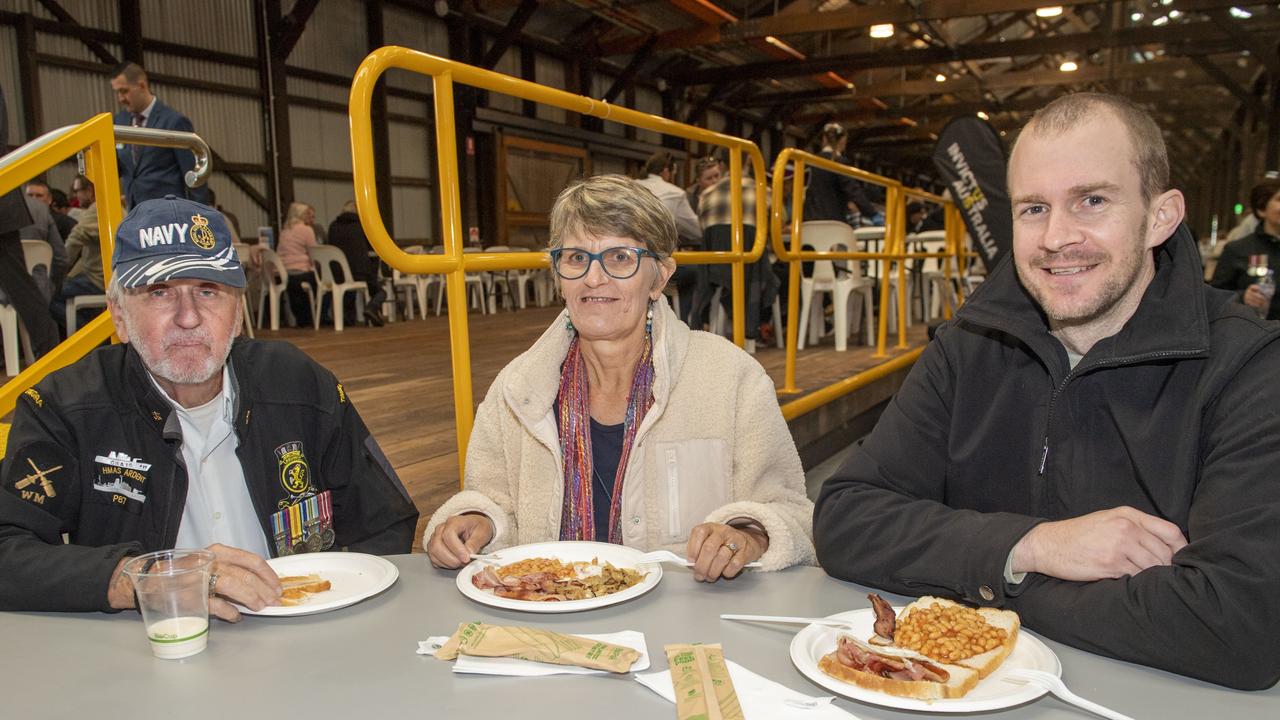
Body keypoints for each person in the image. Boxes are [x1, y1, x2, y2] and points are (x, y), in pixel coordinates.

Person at [812, 93, 1280, 690]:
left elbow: (1240, 624)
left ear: (1161, 216)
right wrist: (1030, 547)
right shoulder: (970, 344)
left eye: (1092, 201)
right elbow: (847, 519)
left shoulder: (1247, 366)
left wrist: (988, 584)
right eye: (1034, 208)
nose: (1058, 237)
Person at [0, 197, 418, 617]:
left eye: (208, 290)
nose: (188, 317)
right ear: (120, 317)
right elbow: (7, 553)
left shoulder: (300, 383)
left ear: (237, 314)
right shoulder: (65, 406)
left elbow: (383, 521)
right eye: (159, 292)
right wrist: (145, 579)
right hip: (150, 649)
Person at [425, 175, 813, 582]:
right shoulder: (517, 389)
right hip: (548, 621)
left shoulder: (731, 378)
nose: (594, 278)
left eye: (620, 257)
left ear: (660, 277)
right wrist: (476, 521)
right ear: (558, 275)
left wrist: (749, 535)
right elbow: (491, 500)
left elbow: (790, 512)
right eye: (576, 258)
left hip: (685, 628)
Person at [110, 61, 211, 208]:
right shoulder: (118, 122)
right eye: (117, 92)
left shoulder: (173, 122)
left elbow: (194, 177)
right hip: (136, 215)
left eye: (124, 91)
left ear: (142, 85)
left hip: (168, 215)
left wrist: (200, 219)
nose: (120, 98)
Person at [1209, 178, 1280, 320]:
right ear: (1261, 209)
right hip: (1257, 336)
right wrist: (1242, 297)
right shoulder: (1238, 249)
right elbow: (1214, 297)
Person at [52, 175, 105, 333]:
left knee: (47, 293)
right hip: (101, 277)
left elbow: (75, 238)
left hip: (97, 281)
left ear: (89, 191)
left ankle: (92, 335)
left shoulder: (97, 209)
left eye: (77, 191)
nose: (75, 196)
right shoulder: (110, 206)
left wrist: (59, 269)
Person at [802, 123, 879, 225]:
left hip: (808, 220)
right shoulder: (839, 163)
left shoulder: (809, 161)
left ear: (824, 139)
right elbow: (853, 190)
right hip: (833, 220)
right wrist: (872, 213)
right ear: (843, 140)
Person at [327, 200, 387, 326]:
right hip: (359, 272)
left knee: (349, 291)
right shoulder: (362, 226)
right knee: (381, 291)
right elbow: (373, 248)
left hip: (337, 273)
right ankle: (372, 307)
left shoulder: (333, 226)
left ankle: (348, 319)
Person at [636, 151, 702, 244]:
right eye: (673, 174)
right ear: (666, 171)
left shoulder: (631, 185)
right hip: (655, 248)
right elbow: (696, 230)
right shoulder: (675, 193)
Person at [276, 201, 319, 327]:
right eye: (306, 214)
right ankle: (318, 316)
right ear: (301, 215)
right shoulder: (306, 230)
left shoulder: (284, 231)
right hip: (301, 271)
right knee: (321, 283)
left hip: (284, 272)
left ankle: (300, 318)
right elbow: (314, 253)